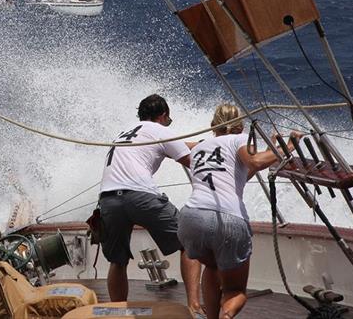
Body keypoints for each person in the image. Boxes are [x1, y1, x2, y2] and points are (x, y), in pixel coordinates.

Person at [177, 103, 296, 319]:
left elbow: (238, 175)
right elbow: (256, 162)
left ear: (213, 126)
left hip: (190, 218)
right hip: (227, 221)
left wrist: (274, 149)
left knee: (212, 268)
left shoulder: (199, 146)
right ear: (240, 127)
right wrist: (290, 145)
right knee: (235, 290)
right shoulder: (239, 139)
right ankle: (226, 316)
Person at [98, 94, 203, 316]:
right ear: (163, 116)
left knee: (117, 261)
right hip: (140, 196)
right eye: (169, 121)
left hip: (108, 199)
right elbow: (191, 160)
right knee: (189, 242)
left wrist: (206, 143)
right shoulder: (161, 130)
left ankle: (117, 312)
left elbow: (181, 145)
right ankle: (194, 307)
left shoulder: (125, 132)